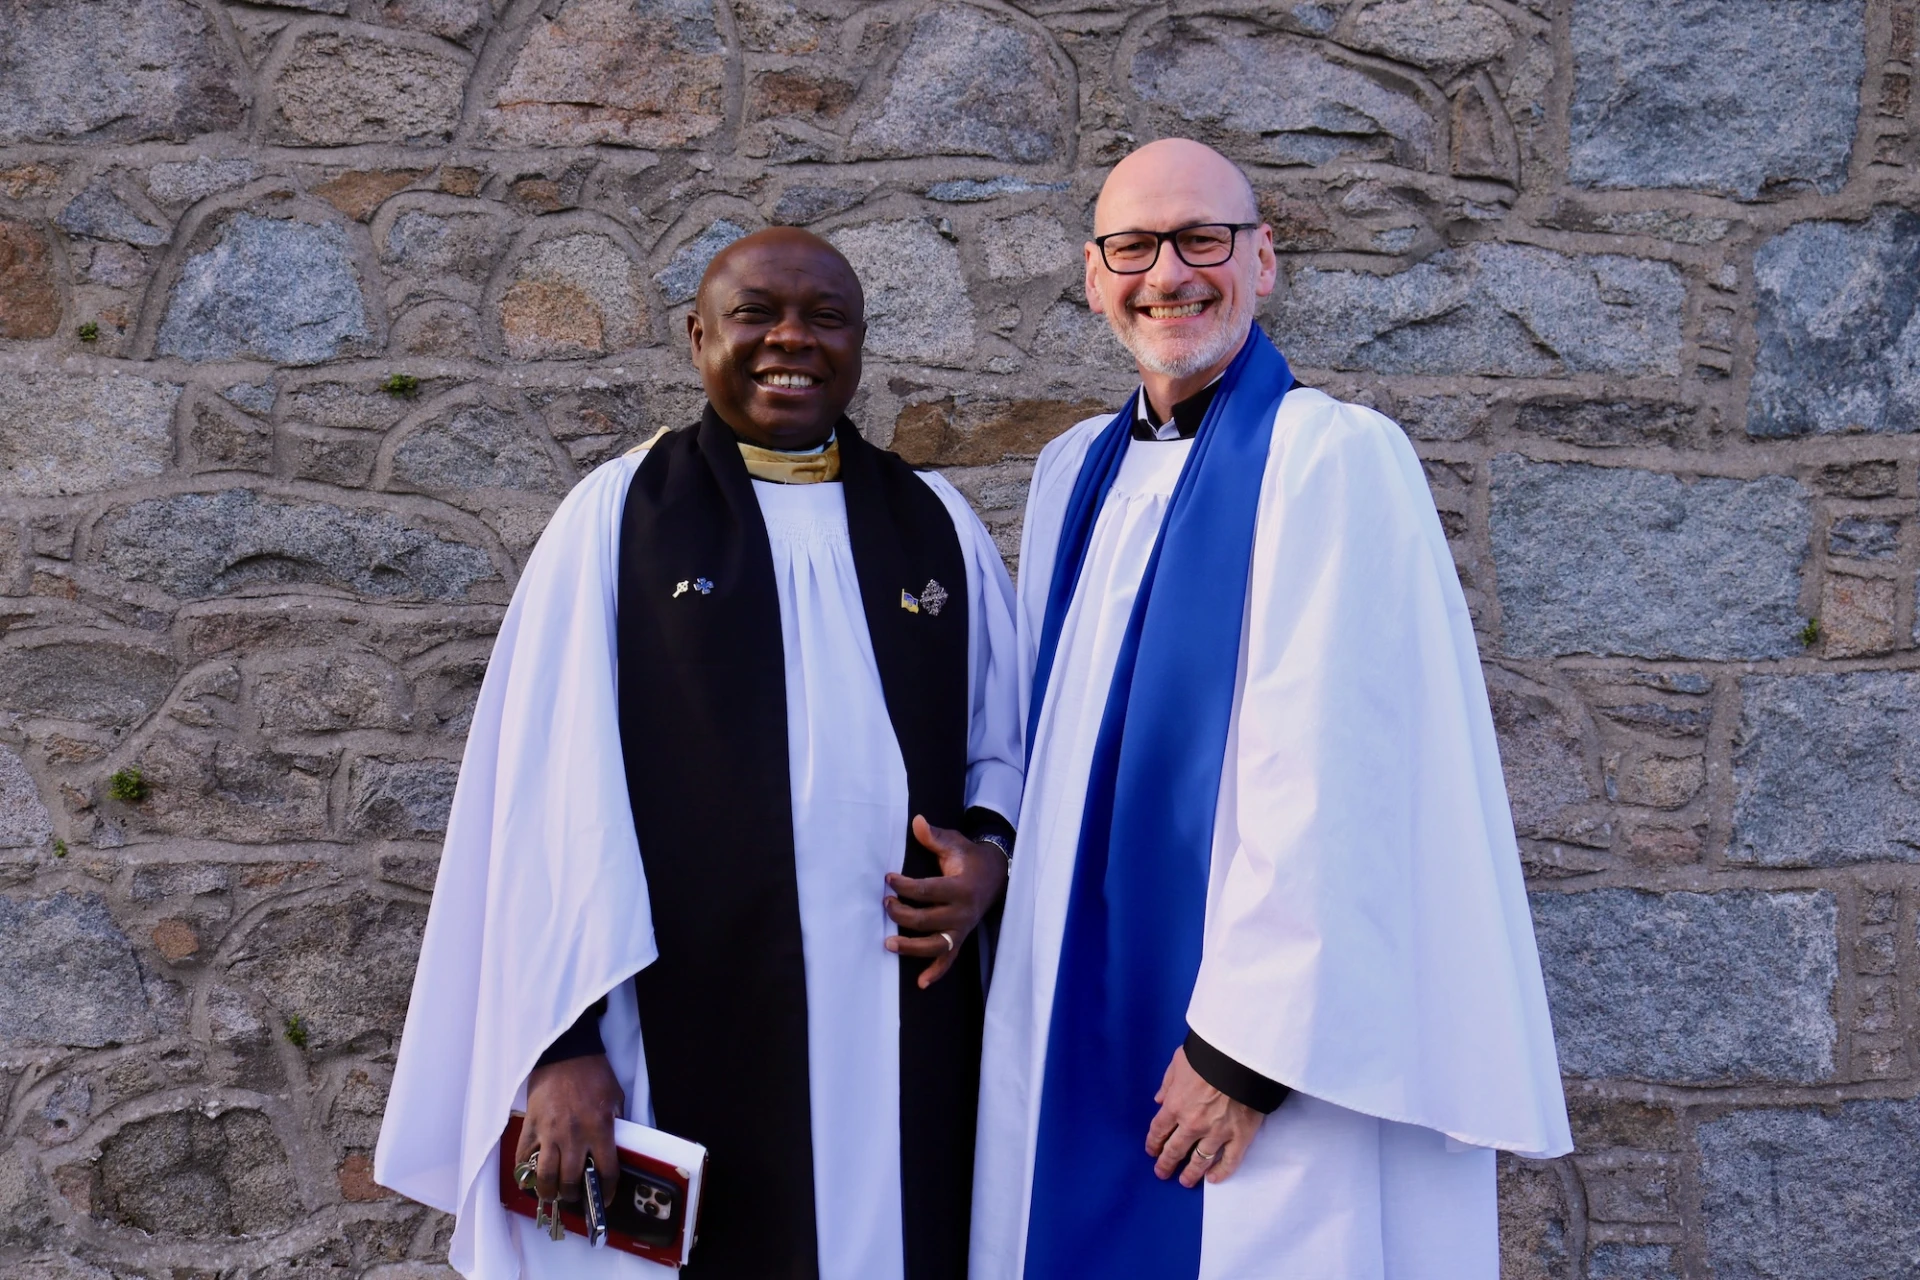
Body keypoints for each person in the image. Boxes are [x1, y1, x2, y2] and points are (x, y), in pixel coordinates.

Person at [970, 138, 1571, 1279]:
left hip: (1256, 1043)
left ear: (1263, 261)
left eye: (1204, 241)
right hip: (1072, 1003)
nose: (1169, 276)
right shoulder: (1071, 474)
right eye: (1134, 246)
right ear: (1095, 275)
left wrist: (1244, 1046)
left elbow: (1343, 765)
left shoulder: (1331, 459)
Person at [375, 228, 1023, 1280]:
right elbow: (547, 791)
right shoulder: (618, 520)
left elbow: (1009, 741)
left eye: (826, 316)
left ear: (860, 341)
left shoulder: (935, 522)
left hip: (901, 1020)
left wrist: (990, 855)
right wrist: (561, 1042)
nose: (792, 339)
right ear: (697, 336)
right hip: (673, 1015)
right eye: (757, 312)